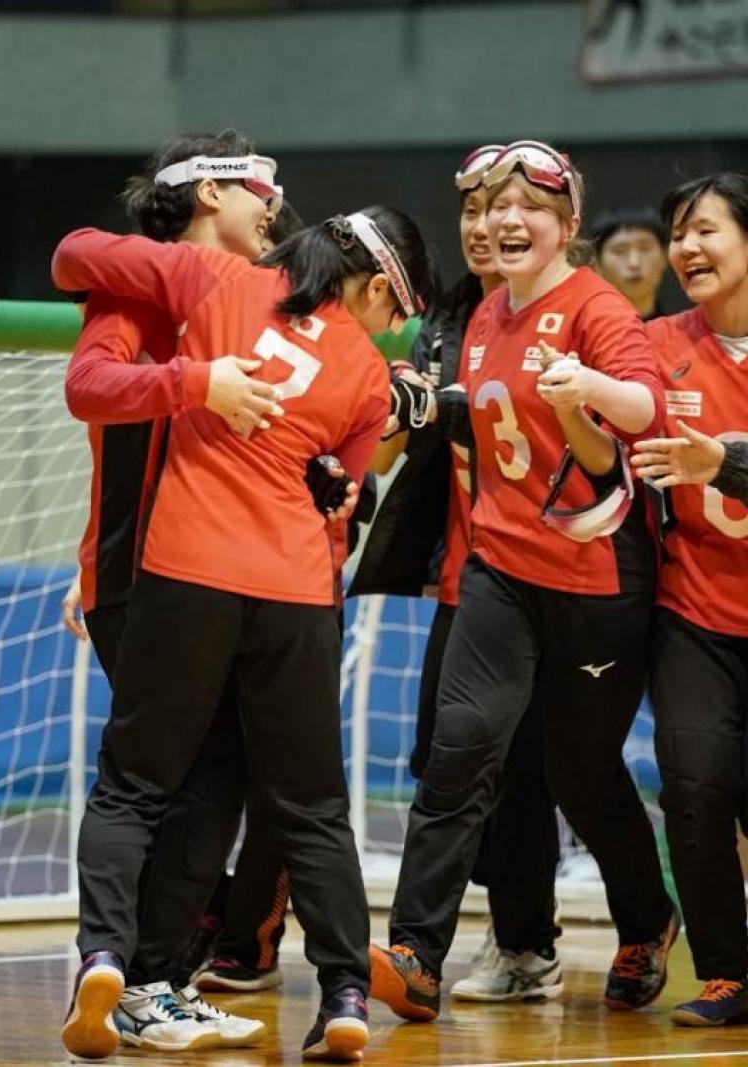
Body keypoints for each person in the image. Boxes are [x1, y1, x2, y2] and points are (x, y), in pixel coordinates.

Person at [52, 205, 438, 1061]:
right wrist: (333, 480)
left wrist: (199, 379)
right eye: (395, 310)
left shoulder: (215, 278)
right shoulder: (371, 377)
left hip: (187, 573)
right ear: (376, 286)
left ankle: (105, 956)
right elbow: (339, 498)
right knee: (312, 810)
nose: (388, 327)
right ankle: (342, 995)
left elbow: (70, 254)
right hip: (297, 595)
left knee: (133, 787)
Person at [368, 139, 678, 1024]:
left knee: (580, 772)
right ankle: (416, 951)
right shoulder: (478, 318)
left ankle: (648, 918)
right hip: (499, 568)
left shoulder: (598, 308)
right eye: (479, 210)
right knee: (460, 752)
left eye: (524, 209)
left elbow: (648, 409)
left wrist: (588, 389)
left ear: (567, 225)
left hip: (597, 576)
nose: (499, 222)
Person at [351, 143, 563, 1003]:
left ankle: (538, 937)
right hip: (466, 576)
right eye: (473, 214)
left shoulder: (571, 314)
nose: (486, 228)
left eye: (506, 212)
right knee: (445, 764)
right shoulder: (443, 321)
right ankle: (496, 942)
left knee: (553, 772)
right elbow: (396, 438)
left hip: (560, 578)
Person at [630, 172, 748, 1026]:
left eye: (705, 229)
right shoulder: (656, 343)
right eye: (679, 232)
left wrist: (727, 462)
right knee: (695, 786)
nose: (686, 248)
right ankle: (728, 970)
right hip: (693, 612)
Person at [590, 205, 668, 321]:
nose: (634, 263)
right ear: (597, 263)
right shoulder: (579, 335)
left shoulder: (681, 335)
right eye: (619, 251)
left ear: (665, 256)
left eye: (645, 248)